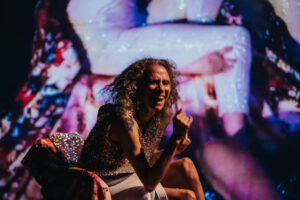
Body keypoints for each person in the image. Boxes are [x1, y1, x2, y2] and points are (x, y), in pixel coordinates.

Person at [79, 58, 205, 200]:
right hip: (100, 184)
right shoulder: (124, 119)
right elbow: (149, 182)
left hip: (129, 175)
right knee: (186, 197)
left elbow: (144, 160)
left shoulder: (160, 116)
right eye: (153, 82)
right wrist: (174, 141)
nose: (161, 89)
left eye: (166, 83)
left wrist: (173, 149)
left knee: (186, 166)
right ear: (137, 87)